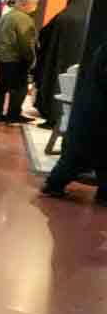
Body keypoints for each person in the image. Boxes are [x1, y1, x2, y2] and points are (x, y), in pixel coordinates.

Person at [41, 40, 106, 204]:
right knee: (82, 152)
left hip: (93, 108)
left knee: (81, 152)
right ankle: (54, 185)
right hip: (99, 111)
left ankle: (54, 184)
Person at [33, 0, 90, 127]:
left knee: (54, 84)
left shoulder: (63, 16)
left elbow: (44, 33)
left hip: (55, 59)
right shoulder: (90, 19)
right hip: (78, 62)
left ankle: (52, 117)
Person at [0, 0, 38, 124]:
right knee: (19, 88)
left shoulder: (7, 16)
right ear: (26, 4)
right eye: (35, 4)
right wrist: (30, 59)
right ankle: (13, 115)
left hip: (3, 57)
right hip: (15, 58)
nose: (35, 7)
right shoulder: (23, 18)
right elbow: (25, 41)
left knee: (1, 87)